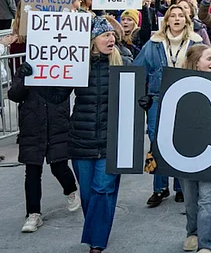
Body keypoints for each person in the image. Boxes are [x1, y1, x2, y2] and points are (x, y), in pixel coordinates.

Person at [70, 17, 131, 253]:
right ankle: (97, 230)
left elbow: (136, 95)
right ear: (92, 40)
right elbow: (56, 97)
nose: (111, 39)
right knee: (88, 194)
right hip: (81, 140)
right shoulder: (77, 65)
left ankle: (96, 243)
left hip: (111, 141)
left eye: (112, 35)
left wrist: (143, 101)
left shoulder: (123, 61)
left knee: (102, 190)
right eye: (105, 35)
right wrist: (34, 75)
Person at [134, 5, 204, 207]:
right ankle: (159, 188)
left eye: (180, 15)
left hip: (186, 98)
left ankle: (181, 187)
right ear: (166, 20)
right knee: (157, 141)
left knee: (181, 141)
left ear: (186, 20)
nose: (176, 19)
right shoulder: (154, 43)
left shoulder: (196, 42)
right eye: (172, 15)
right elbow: (139, 69)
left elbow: (205, 67)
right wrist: (142, 95)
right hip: (158, 98)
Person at [10, 61, 80, 233]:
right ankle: (33, 213)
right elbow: (14, 94)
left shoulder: (61, 66)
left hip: (57, 125)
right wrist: (25, 79)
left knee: (59, 166)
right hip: (32, 126)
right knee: (32, 172)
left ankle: (70, 190)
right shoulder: (25, 67)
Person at [179, 45, 211, 253]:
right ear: (196, 61)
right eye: (209, 58)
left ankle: (206, 244)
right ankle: (192, 233)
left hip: (210, 150)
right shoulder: (178, 84)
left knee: (207, 198)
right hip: (184, 150)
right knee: (190, 198)